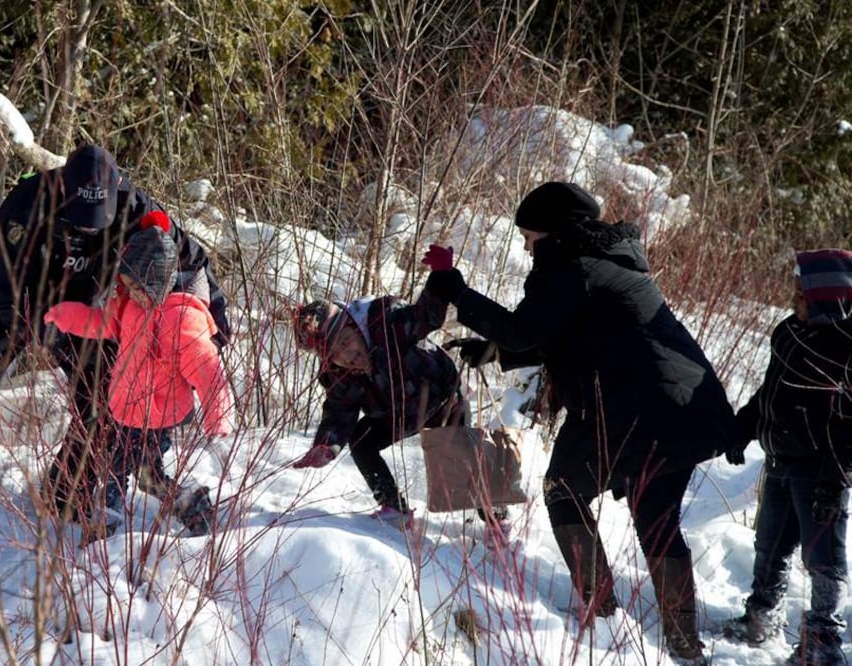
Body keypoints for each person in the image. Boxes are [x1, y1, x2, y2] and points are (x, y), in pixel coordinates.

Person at [0, 144, 229, 569]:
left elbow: (193, 261)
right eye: (79, 223)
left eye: (98, 225)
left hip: (80, 306)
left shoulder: (137, 207)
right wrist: (40, 331)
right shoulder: (27, 203)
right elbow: (5, 294)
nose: (89, 232)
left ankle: (67, 493)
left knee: (110, 397)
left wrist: (214, 330)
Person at [422, 181, 736, 663]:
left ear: (556, 232)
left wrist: (455, 290)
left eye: (531, 237)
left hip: (636, 408)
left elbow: (529, 327)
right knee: (656, 518)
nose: (527, 248)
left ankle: (602, 612)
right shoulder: (605, 264)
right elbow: (571, 332)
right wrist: (495, 348)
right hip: (681, 410)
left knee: (563, 490)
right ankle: (682, 643)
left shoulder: (576, 269)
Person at [43, 211, 234, 538]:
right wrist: (64, 315)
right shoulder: (131, 306)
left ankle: (108, 527)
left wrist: (219, 420)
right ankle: (191, 504)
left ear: (157, 281)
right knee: (146, 475)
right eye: (127, 286)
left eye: (137, 287)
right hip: (126, 408)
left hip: (157, 413)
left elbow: (208, 370)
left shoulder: (181, 320)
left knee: (117, 471)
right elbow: (100, 323)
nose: (131, 294)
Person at [722, 249, 852, 666]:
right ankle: (761, 614)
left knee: (822, 556)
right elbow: (770, 390)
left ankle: (823, 640)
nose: (792, 300)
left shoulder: (847, 348)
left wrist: (836, 479)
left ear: (827, 299)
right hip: (780, 456)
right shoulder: (788, 333)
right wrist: (744, 425)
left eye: (801, 294)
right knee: (770, 542)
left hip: (822, 467)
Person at [291, 292, 466, 528]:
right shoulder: (338, 372)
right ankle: (394, 507)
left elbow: (427, 316)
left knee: (463, 465)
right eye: (333, 354)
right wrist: (325, 445)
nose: (346, 356)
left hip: (442, 399)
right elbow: (340, 410)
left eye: (345, 342)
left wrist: (442, 280)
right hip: (395, 413)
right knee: (361, 440)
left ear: (355, 325)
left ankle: (497, 522)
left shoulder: (386, 322)